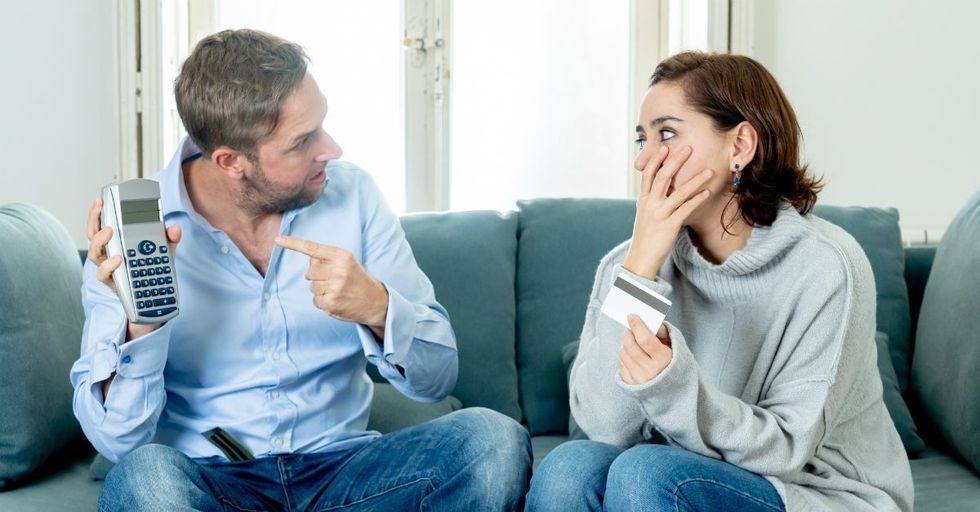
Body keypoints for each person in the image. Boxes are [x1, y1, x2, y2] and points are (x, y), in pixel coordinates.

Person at [71, 29, 531, 511]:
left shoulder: (353, 195)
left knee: (492, 441)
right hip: (214, 484)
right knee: (145, 479)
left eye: (322, 125)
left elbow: (436, 380)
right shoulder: (130, 236)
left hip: (345, 475)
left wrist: (378, 307)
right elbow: (118, 441)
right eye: (302, 141)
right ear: (231, 161)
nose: (330, 148)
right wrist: (142, 324)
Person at [526, 52, 913, 511]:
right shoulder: (627, 266)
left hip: (818, 494)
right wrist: (639, 271)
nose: (645, 160)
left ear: (741, 145)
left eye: (666, 133)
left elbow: (787, 449)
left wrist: (669, 386)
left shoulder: (826, 264)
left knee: (648, 471)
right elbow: (605, 429)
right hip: (680, 480)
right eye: (641, 138)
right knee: (570, 466)